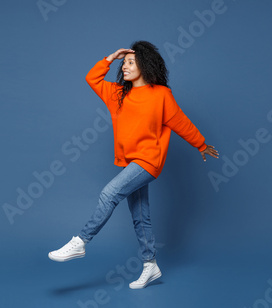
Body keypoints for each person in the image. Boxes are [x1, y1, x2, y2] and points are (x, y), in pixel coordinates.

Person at [48, 41, 219, 289]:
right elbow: (92, 78)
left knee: (109, 193)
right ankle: (150, 265)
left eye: (130, 62)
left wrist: (201, 144)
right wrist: (111, 57)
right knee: (140, 215)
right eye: (124, 63)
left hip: (149, 160)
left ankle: (81, 242)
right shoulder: (118, 93)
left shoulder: (160, 94)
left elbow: (180, 122)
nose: (125, 67)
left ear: (144, 65)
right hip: (131, 163)